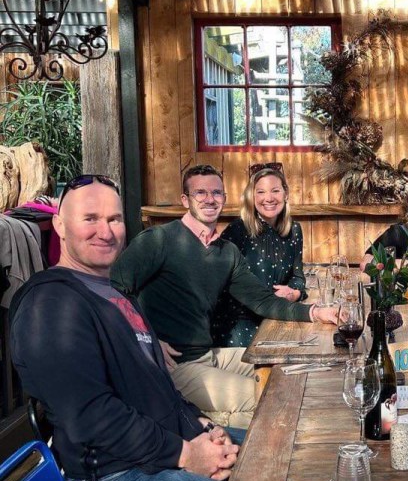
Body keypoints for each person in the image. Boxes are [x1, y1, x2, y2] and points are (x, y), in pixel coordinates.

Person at [10, 174, 243, 481]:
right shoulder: (50, 304)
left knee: (274, 457)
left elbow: (158, 388)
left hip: (159, 451)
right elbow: (90, 416)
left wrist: (204, 427)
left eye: (114, 219)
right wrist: (187, 454)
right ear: (60, 225)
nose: (105, 231)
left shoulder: (113, 294)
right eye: (90, 219)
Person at [111, 164, 337, 428]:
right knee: (270, 400)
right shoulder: (159, 239)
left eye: (216, 193)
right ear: (185, 200)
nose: (210, 199)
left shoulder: (226, 252)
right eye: (200, 193)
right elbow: (111, 289)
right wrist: (146, 338)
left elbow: (262, 300)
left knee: (291, 372)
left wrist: (315, 312)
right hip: (174, 365)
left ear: (224, 198)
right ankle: (192, 423)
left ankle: (206, 418)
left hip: (209, 354)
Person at [212, 164, 307, 347]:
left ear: (286, 194)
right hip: (240, 325)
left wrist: (294, 294)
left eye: (275, 191)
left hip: (279, 317)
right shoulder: (237, 231)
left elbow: (298, 277)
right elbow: (220, 287)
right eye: (261, 192)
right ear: (252, 196)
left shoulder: (294, 230)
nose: (268, 198)